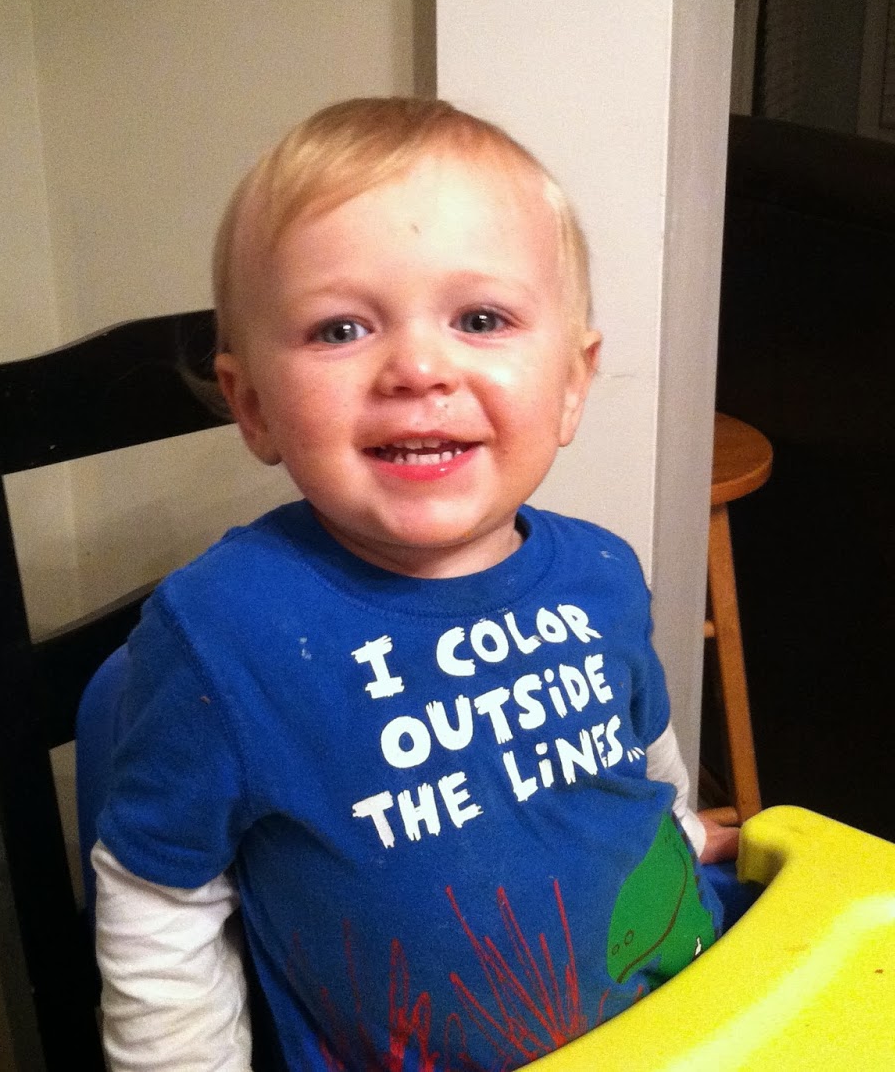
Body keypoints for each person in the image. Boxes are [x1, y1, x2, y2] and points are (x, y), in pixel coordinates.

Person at [93, 97, 740, 1071]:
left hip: (700, 1023)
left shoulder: (604, 570)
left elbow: (642, 759)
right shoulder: (221, 635)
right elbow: (159, 902)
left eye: (480, 318)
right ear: (253, 404)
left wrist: (680, 834)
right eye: (341, 328)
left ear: (572, 383)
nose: (419, 367)